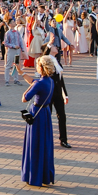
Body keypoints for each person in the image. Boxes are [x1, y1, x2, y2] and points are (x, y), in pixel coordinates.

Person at [20, 56, 56, 187]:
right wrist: (22, 73)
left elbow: (25, 98)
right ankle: (45, 175)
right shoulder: (50, 81)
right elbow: (34, 82)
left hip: (36, 114)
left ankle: (33, 175)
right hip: (45, 113)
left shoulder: (39, 84)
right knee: (44, 144)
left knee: (34, 145)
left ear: (41, 68)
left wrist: (28, 88)